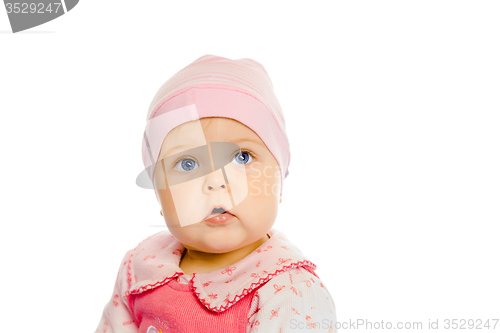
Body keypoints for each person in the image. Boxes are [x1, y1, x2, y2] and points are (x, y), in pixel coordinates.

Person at [95, 54, 337, 332]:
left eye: (242, 157)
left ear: (278, 181)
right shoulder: (142, 267)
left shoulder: (288, 291)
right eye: (187, 164)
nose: (215, 182)